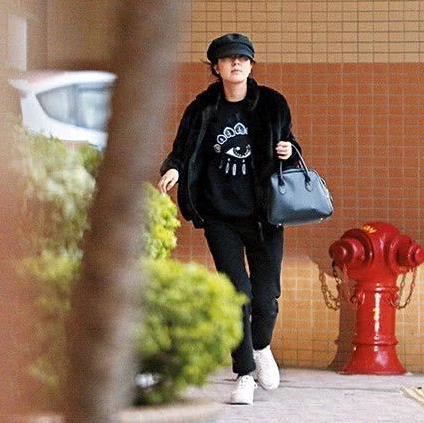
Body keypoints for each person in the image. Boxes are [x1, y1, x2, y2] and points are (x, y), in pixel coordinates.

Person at [157, 33, 300, 405]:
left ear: (251, 65)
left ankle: (261, 346)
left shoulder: (272, 104)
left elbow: (289, 144)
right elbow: (183, 150)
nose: (236, 63)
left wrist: (289, 149)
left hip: (265, 216)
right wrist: (173, 169)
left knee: (266, 298)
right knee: (239, 295)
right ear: (216, 67)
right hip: (220, 216)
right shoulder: (202, 108)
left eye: (243, 58)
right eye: (228, 58)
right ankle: (244, 374)